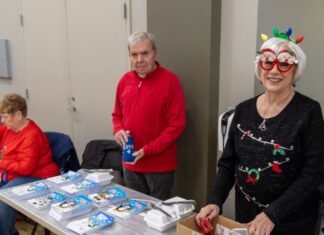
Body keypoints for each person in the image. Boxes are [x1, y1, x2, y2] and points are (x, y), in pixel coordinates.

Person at [196, 27, 324, 235]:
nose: (274, 70)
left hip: (292, 221)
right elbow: (229, 163)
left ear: (294, 71)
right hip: (247, 218)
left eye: (284, 63)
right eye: (267, 62)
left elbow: (313, 173)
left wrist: (273, 213)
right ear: (259, 67)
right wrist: (215, 201)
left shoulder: (309, 111)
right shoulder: (244, 109)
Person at [112, 32, 186, 200]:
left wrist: (147, 150)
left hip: (159, 167)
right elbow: (117, 115)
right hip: (130, 163)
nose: (139, 59)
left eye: (145, 53)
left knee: (157, 216)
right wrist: (118, 130)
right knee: (134, 211)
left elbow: (176, 126)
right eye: (134, 54)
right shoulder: (125, 81)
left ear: (155, 53)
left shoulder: (171, 82)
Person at [0, 93, 59, 235]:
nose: (3, 121)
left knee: (3, 199)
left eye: (5, 117)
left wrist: (1, 162)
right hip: (15, 172)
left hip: (36, 176)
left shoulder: (31, 135)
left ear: (18, 115)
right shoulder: (9, 128)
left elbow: (25, 168)